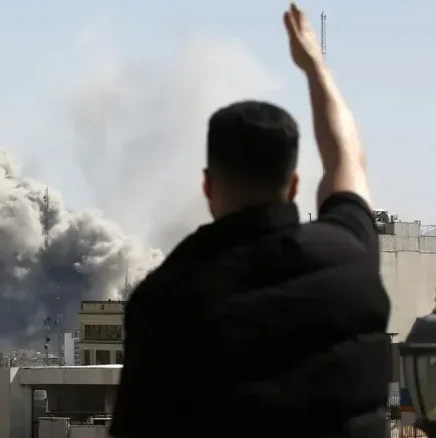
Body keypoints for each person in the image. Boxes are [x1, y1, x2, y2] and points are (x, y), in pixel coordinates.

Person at [110, 4, 390, 438]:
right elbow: (347, 158)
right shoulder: (350, 258)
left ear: (207, 186)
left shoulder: (166, 302)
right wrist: (314, 66)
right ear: (295, 184)